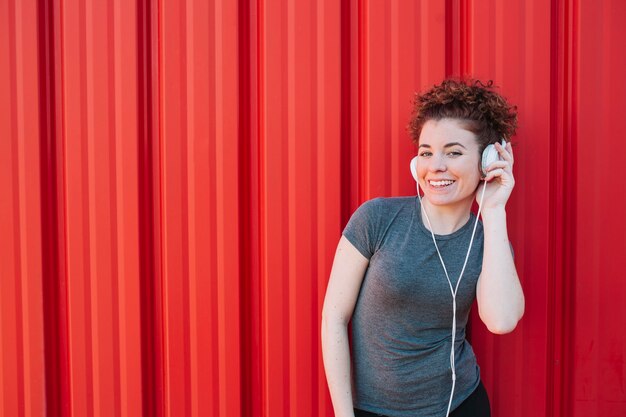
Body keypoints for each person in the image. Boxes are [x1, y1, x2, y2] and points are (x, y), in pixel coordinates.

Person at [321, 79, 525, 417]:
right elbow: (333, 318)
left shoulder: (488, 241)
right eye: (426, 152)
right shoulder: (377, 218)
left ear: (487, 162)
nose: (436, 166)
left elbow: (501, 321)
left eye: (454, 152)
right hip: (373, 410)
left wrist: (494, 210)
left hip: (458, 405)